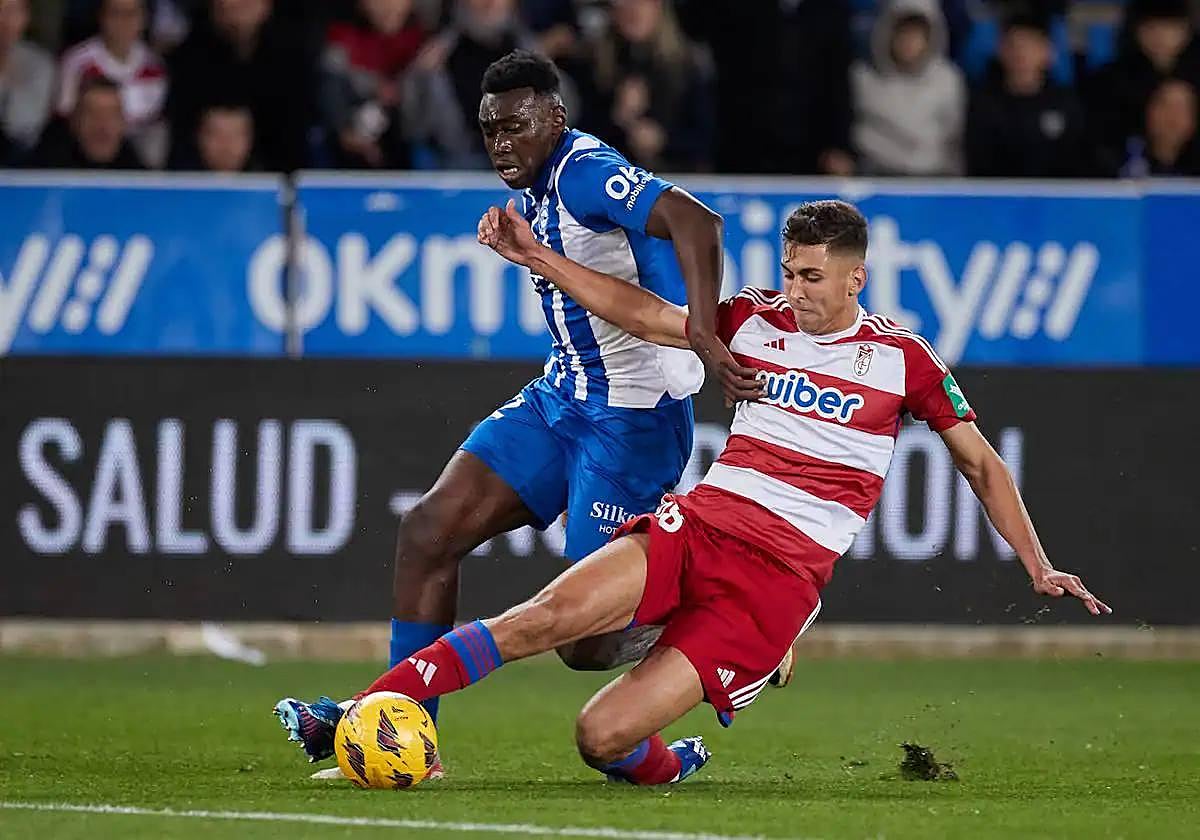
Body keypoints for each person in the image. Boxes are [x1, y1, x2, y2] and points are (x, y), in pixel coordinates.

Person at [275, 198, 1110, 785]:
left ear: (857, 278)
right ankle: (358, 711)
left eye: (814, 277)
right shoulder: (751, 319)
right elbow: (642, 314)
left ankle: (677, 760)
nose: (796, 289)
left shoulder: (906, 360)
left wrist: (1037, 563)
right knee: (543, 620)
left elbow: (980, 465)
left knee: (599, 736)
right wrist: (539, 257)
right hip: (700, 526)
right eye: (789, 271)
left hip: (781, 580)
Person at [275, 48, 760, 772]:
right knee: (429, 530)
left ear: (555, 119)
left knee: (584, 643)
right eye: (490, 130)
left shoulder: (585, 170)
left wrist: (698, 327)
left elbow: (698, 222)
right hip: (562, 399)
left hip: (632, 424)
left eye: (517, 127)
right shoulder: (534, 187)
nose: (502, 144)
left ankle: (706, 639)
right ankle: (400, 724)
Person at [851, 0, 966, 176]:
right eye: (903, 34)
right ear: (887, 33)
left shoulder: (949, 80)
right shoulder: (862, 78)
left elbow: (954, 137)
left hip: (935, 176)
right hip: (876, 175)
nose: (909, 42)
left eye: (917, 35)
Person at [966, 10, 1088, 177]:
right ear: (1000, 51)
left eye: (1030, 45)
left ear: (1048, 52)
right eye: (1014, 45)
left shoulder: (1066, 104)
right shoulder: (983, 104)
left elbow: (1078, 162)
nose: (1021, 54)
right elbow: (980, 164)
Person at [56, 0, 168, 167]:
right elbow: (65, 118)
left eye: (131, 14)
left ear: (144, 19)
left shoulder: (155, 66)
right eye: (116, 13)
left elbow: (152, 125)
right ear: (102, 17)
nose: (124, 22)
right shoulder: (77, 62)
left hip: (132, 157)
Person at [30, 74, 145, 168]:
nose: (102, 124)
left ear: (123, 124)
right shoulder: (41, 172)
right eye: (92, 113)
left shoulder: (141, 178)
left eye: (112, 115)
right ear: (74, 122)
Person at [0, 0, 54, 164]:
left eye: (14, 10)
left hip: (22, 160)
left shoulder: (40, 64)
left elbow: (26, 125)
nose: (5, 20)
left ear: (26, 17)